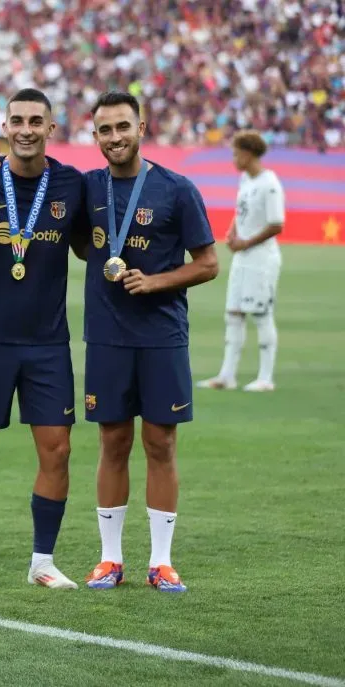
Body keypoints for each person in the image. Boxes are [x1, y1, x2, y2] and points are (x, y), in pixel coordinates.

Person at [81, 91, 218, 593]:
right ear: (94, 136)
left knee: (160, 443)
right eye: (104, 130)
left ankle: (160, 561)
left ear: (142, 127)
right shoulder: (87, 187)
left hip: (161, 336)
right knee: (112, 442)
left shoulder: (176, 189)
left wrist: (155, 281)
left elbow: (208, 262)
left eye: (122, 126)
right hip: (107, 336)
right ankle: (109, 559)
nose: (114, 137)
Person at [0, 88, 87, 590]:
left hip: (48, 345)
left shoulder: (74, 184)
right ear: (4, 128)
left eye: (36, 120)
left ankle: (42, 561)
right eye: (17, 120)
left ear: (52, 129)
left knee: (57, 451)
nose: (26, 128)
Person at [197, 130, 284, 392]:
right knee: (233, 313)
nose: (233, 159)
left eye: (236, 153)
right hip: (242, 258)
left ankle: (265, 378)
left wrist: (246, 242)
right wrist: (234, 231)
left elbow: (276, 224)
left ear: (248, 154)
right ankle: (227, 376)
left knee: (261, 314)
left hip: (261, 259)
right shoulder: (246, 179)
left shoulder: (269, 184)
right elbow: (241, 211)